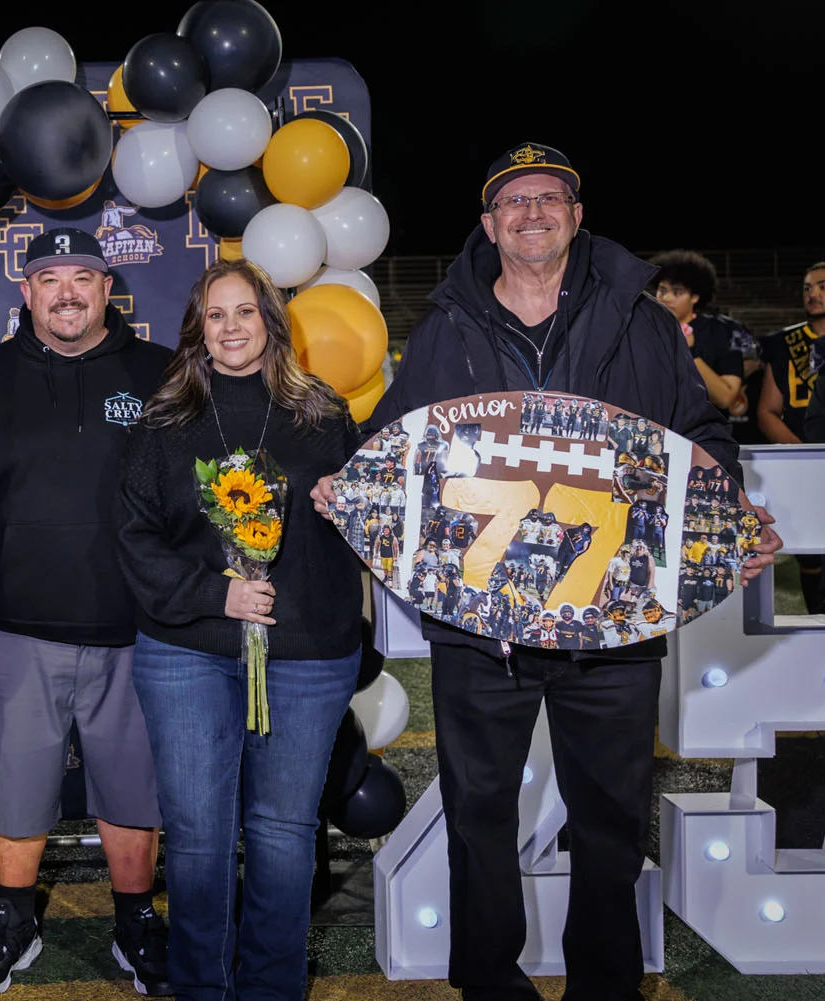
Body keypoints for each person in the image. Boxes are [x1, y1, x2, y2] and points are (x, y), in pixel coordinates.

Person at [310, 143, 782, 1001]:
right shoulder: (446, 328)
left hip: (612, 623)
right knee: (480, 816)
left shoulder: (639, 319)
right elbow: (390, 444)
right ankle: (490, 984)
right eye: (513, 201)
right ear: (489, 225)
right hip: (480, 625)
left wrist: (728, 507)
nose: (532, 211)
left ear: (576, 215)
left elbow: (697, 438)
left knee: (607, 821)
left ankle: (605, 985)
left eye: (550, 197)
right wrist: (351, 479)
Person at [116, 258, 363, 1001]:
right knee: (197, 839)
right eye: (215, 315)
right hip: (189, 650)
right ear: (197, 331)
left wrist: (343, 505)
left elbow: (375, 526)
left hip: (307, 653)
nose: (230, 327)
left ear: (270, 322)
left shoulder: (323, 413)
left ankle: (273, 988)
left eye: (245, 312)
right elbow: (134, 537)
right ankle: (200, 988)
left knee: (285, 835)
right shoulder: (165, 419)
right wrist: (212, 596)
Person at [0, 228, 174, 997]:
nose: (68, 291)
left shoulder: (160, 371)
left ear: (109, 287)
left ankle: (136, 920)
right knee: (14, 789)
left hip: (139, 628)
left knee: (134, 788)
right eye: (51, 277)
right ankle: (14, 916)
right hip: (14, 624)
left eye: (85, 276)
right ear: (26, 290)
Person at [756, 261, 824, 613]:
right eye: (807, 287)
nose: (813, 294)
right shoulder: (784, 342)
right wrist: (810, 457)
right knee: (812, 556)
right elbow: (767, 412)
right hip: (805, 463)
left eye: (822, 286)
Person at [649, 250, 748, 414]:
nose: (666, 298)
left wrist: (689, 352)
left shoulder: (721, 331)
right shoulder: (644, 329)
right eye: (662, 290)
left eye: (677, 292)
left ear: (694, 297)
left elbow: (725, 398)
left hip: (701, 431)